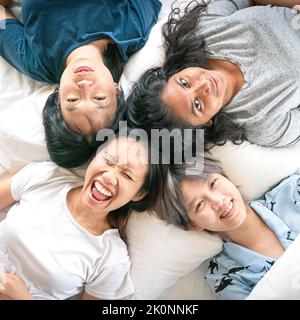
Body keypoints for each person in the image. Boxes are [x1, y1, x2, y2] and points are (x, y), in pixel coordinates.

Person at [0, 134, 166, 300]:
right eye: (108, 160)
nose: (109, 176)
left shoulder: (110, 259)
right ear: (94, 158)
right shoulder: (46, 177)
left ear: (138, 194)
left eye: (127, 175)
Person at [0, 0, 161, 167]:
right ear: (117, 90)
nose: (84, 85)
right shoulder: (131, 30)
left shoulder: (36, 61)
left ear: (58, 98)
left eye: (72, 100)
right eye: (99, 98)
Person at [126, 0, 300, 149]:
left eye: (184, 83)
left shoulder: (205, 32)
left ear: (174, 73)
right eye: (197, 105)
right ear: (206, 123)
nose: (203, 85)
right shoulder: (262, 124)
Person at [156, 159, 300, 299]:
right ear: (193, 225)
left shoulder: (293, 191)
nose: (218, 201)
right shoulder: (224, 277)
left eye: (213, 184)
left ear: (225, 177)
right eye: (200, 204)